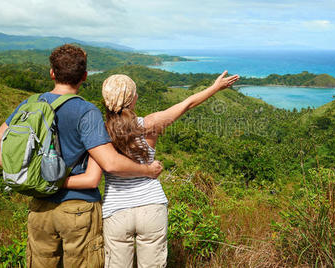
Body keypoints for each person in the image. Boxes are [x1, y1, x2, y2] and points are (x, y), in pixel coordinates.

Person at [0, 44, 163, 267]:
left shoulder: (30, 104)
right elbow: (106, 166)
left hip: (40, 208)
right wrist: (148, 170)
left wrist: (31, 178)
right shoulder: (86, 111)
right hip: (79, 209)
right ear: (85, 76)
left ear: (52, 73)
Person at [65, 71, 239, 267]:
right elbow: (187, 104)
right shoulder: (150, 124)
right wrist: (215, 87)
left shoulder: (100, 134)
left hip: (116, 210)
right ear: (132, 100)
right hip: (152, 206)